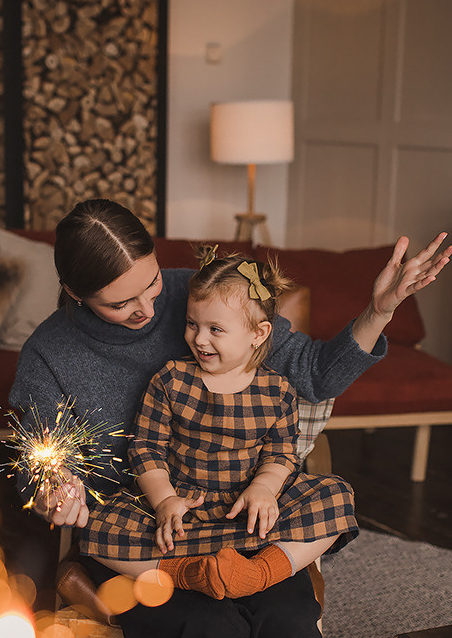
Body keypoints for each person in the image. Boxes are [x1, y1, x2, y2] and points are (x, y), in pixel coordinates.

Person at [9, 198, 452, 638]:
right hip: (155, 540)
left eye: (152, 283)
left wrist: (380, 308)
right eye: (119, 302)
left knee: (288, 613)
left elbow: (316, 375)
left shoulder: (211, 300)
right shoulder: (48, 354)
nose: (148, 310)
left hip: (246, 525)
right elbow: (40, 461)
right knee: (215, 631)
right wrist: (58, 488)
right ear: (75, 294)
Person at [78, 244, 358, 600]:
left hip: (247, 515)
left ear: (258, 333)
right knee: (97, 525)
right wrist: (164, 500)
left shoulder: (277, 391)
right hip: (183, 515)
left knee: (336, 496)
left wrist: (264, 489)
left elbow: (281, 454)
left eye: (216, 329)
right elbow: (146, 448)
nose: (199, 338)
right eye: (192, 324)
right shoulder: (172, 380)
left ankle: (257, 573)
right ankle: (186, 574)